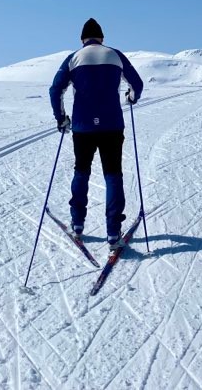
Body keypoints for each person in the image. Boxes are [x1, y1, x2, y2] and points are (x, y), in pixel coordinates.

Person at [49, 18, 144, 250]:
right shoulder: (115, 55)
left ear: (83, 39)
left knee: (81, 172)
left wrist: (61, 119)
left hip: (83, 127)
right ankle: (113, 232)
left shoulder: (73, 58)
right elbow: (137, 84)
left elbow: (55, 89)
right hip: (112, 125)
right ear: (102, 37)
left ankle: (78, 224)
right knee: (113, 175)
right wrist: (131, 97)